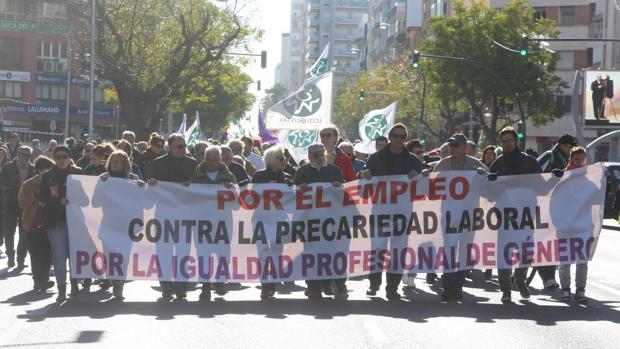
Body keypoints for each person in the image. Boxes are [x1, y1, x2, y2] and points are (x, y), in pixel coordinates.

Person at [360, 124, 422, 300]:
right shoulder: (376, 158)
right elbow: (364, 176)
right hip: (379, 213)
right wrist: (364, 174)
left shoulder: (413, 161)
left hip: (402, 215)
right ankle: (374, 283)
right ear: (390, 136)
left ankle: (392, 288)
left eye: (402, 137)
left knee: (398, 251)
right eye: (396, 136)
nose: (399, 139)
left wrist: (416, 174)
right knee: (377, 250)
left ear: (406, 139)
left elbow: (422, 184)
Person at [427, 134, 487, 301]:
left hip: (469, 216)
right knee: (449, 250)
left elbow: (490, 183)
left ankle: (458, 287)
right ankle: (447, 288)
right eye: (450, 145)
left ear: (464, 147)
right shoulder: (444, 163)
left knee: (464, 253)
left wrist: (483, 174)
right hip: (449, 215)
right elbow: (430, 185)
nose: (451, 148)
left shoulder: (474, 164)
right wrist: (426, 175)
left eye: (455, 145)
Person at [488, 126, 542, 304]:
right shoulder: (497, 164)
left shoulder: (529, 162)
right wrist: (492, 182)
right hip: (505, 216)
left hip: (526, 216)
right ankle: (505, 290)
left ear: (516, 141)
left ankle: (520, 279)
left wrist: (558, 177)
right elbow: (489, 193)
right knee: (505, 252)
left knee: (525, 251)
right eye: (504, 142)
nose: (507, 144)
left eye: (510, 140)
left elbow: (542, 186)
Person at [148, 133, 198, 300]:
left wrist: (192, 183)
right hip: (163, 215)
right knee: (164, 252)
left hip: (185, 216)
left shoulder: (193, 164)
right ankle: (166, 286)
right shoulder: (158, 163)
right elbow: (150, 189)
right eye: (180, 146)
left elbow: (201, 186)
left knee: (183, 252)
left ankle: (181, 286)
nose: (184, 149)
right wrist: (152, 183)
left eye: (184, 146)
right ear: (170, 147)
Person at [294, 143, 344, 300]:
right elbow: (293, 197)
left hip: (331, 220)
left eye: (322, 154)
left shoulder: (334, 170)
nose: (320, 157)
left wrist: (338, 187)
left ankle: (329, 283)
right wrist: (300, 188)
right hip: (310, 221)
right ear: (309, 156)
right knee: (312, 254)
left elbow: (344, 194)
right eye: (316, 155)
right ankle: (313, 287)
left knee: (331, 252)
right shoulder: (302, 172)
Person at [190, 145, 236, 301]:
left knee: (223, 252)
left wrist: (232, 191)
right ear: (204, 159)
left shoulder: (229, 176)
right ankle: (205, 285)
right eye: (208, 159)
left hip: (223, 220)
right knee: (203, 253)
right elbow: (188, 197)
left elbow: (237, 204)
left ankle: (220, 281)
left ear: (220, 159)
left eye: (215, 160)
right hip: (202, 221)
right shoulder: (196, 175)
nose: (211, 163)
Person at [38, 146, 83, 302]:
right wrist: (58, 201)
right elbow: (41, 196)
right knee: (59, 256)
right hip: (56, 222)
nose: (61, 159)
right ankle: (61, 289)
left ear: (70, 158)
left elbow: (87, 195)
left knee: (74, 255)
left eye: (64, 156)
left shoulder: (78, 173)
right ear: (54, 158)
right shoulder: (48, 176)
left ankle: (74, 282)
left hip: (76, 222)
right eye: (58, 157)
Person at [99, 150, 144, 300]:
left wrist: (142, 188)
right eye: (112, 160)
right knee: (109, 257)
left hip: (127, 226)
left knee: (123, 257)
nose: (114, 163)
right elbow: (95, 202)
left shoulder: (134, 179)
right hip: (109, 225)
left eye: (118, 161)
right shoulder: (105, 179)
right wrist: (101, 185)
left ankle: (119, 286)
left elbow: (143, 202)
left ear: (125, 163)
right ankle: (111, 278)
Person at [535, 135, 577, 290]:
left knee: (556, 243)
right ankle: (548, 278)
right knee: (545, 241)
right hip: (545, 206)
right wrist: (553, 179)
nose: (572, 148)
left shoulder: (572, 160)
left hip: (562, 208)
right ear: (562, 145)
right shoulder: (549, 156)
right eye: (570, 146)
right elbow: (535, 176)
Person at [252, 145, 293, 299]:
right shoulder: (259, 176)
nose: (283, 160)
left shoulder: (287, 177)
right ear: (270, 160)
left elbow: (294, 199)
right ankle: (265, 284)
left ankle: (273, 283)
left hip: (279, 221)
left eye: (283, 157)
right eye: (279, 157)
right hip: (261, 219)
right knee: (262, 252)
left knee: (276, 253)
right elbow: (252, 197)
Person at [18, 156, 55, 291]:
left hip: (48, 222)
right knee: (35, 253)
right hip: (31, 222)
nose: (50, 172)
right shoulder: (28, 184)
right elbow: (22, 203)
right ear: (39, 170)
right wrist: (35, 196)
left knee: (47, 253)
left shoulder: (53, 183)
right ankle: (37, 280)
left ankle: (44, 280)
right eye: (48, 169)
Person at [558, 146, 590, 304]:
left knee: (582, 261)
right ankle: (565, 289)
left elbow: (597, 198)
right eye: (576, 159)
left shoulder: (590, 178)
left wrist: (605, 179)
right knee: (565, 260)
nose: (579, 162)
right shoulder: (563, 177)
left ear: (585, 160)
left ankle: (580, 290)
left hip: (583, 226)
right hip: (565, 226)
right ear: (570, 160)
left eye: (582, 159)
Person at [0, 146, 36, 269]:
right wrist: (19, 185)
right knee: (9, 231)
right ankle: (10, 255)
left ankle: (21, 258)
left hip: (26, 205)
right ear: (18, 154)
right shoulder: (7, 167)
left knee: (24, 232)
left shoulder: (33, 168)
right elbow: (2, 183)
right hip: (10, 204)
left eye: (28, 155)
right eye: (24, 154)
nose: (26, 157)